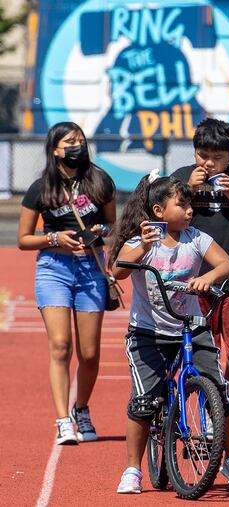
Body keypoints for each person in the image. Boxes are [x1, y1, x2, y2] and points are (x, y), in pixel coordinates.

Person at [109, 174, 229, 493]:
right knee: (144, 401)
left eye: (190, 205)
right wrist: (142, 247)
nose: (189, 211)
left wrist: (209, 277)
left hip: (192, 327)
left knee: (221, 392)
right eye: (182, 204)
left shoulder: (196, 238)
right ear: (158, 210)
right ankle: (133, 469)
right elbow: (118, 270)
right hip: (149, 332)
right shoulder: (142, 241)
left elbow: (226, 264)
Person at [17, 122, 115, 445]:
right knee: (61, 346)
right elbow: (23, 239)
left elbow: (111, 225)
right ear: (55, 149)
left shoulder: (100, 181)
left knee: (89, 353)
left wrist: (98, 235)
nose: (77, 145)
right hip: (53, 268)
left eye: (80, 140)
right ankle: (62, 420)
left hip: (91, 268)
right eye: (69, 141)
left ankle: (82, 408)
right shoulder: (40, 188)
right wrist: (53, 237)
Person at [171, 118, 229, 391]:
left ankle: (222, 389)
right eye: (203, 155)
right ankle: (206, 396)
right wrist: (188, 189)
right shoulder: (182, 176)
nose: (209, 163)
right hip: (193, 280)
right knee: (200, 346)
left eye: (218, 157)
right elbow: (165, 215)